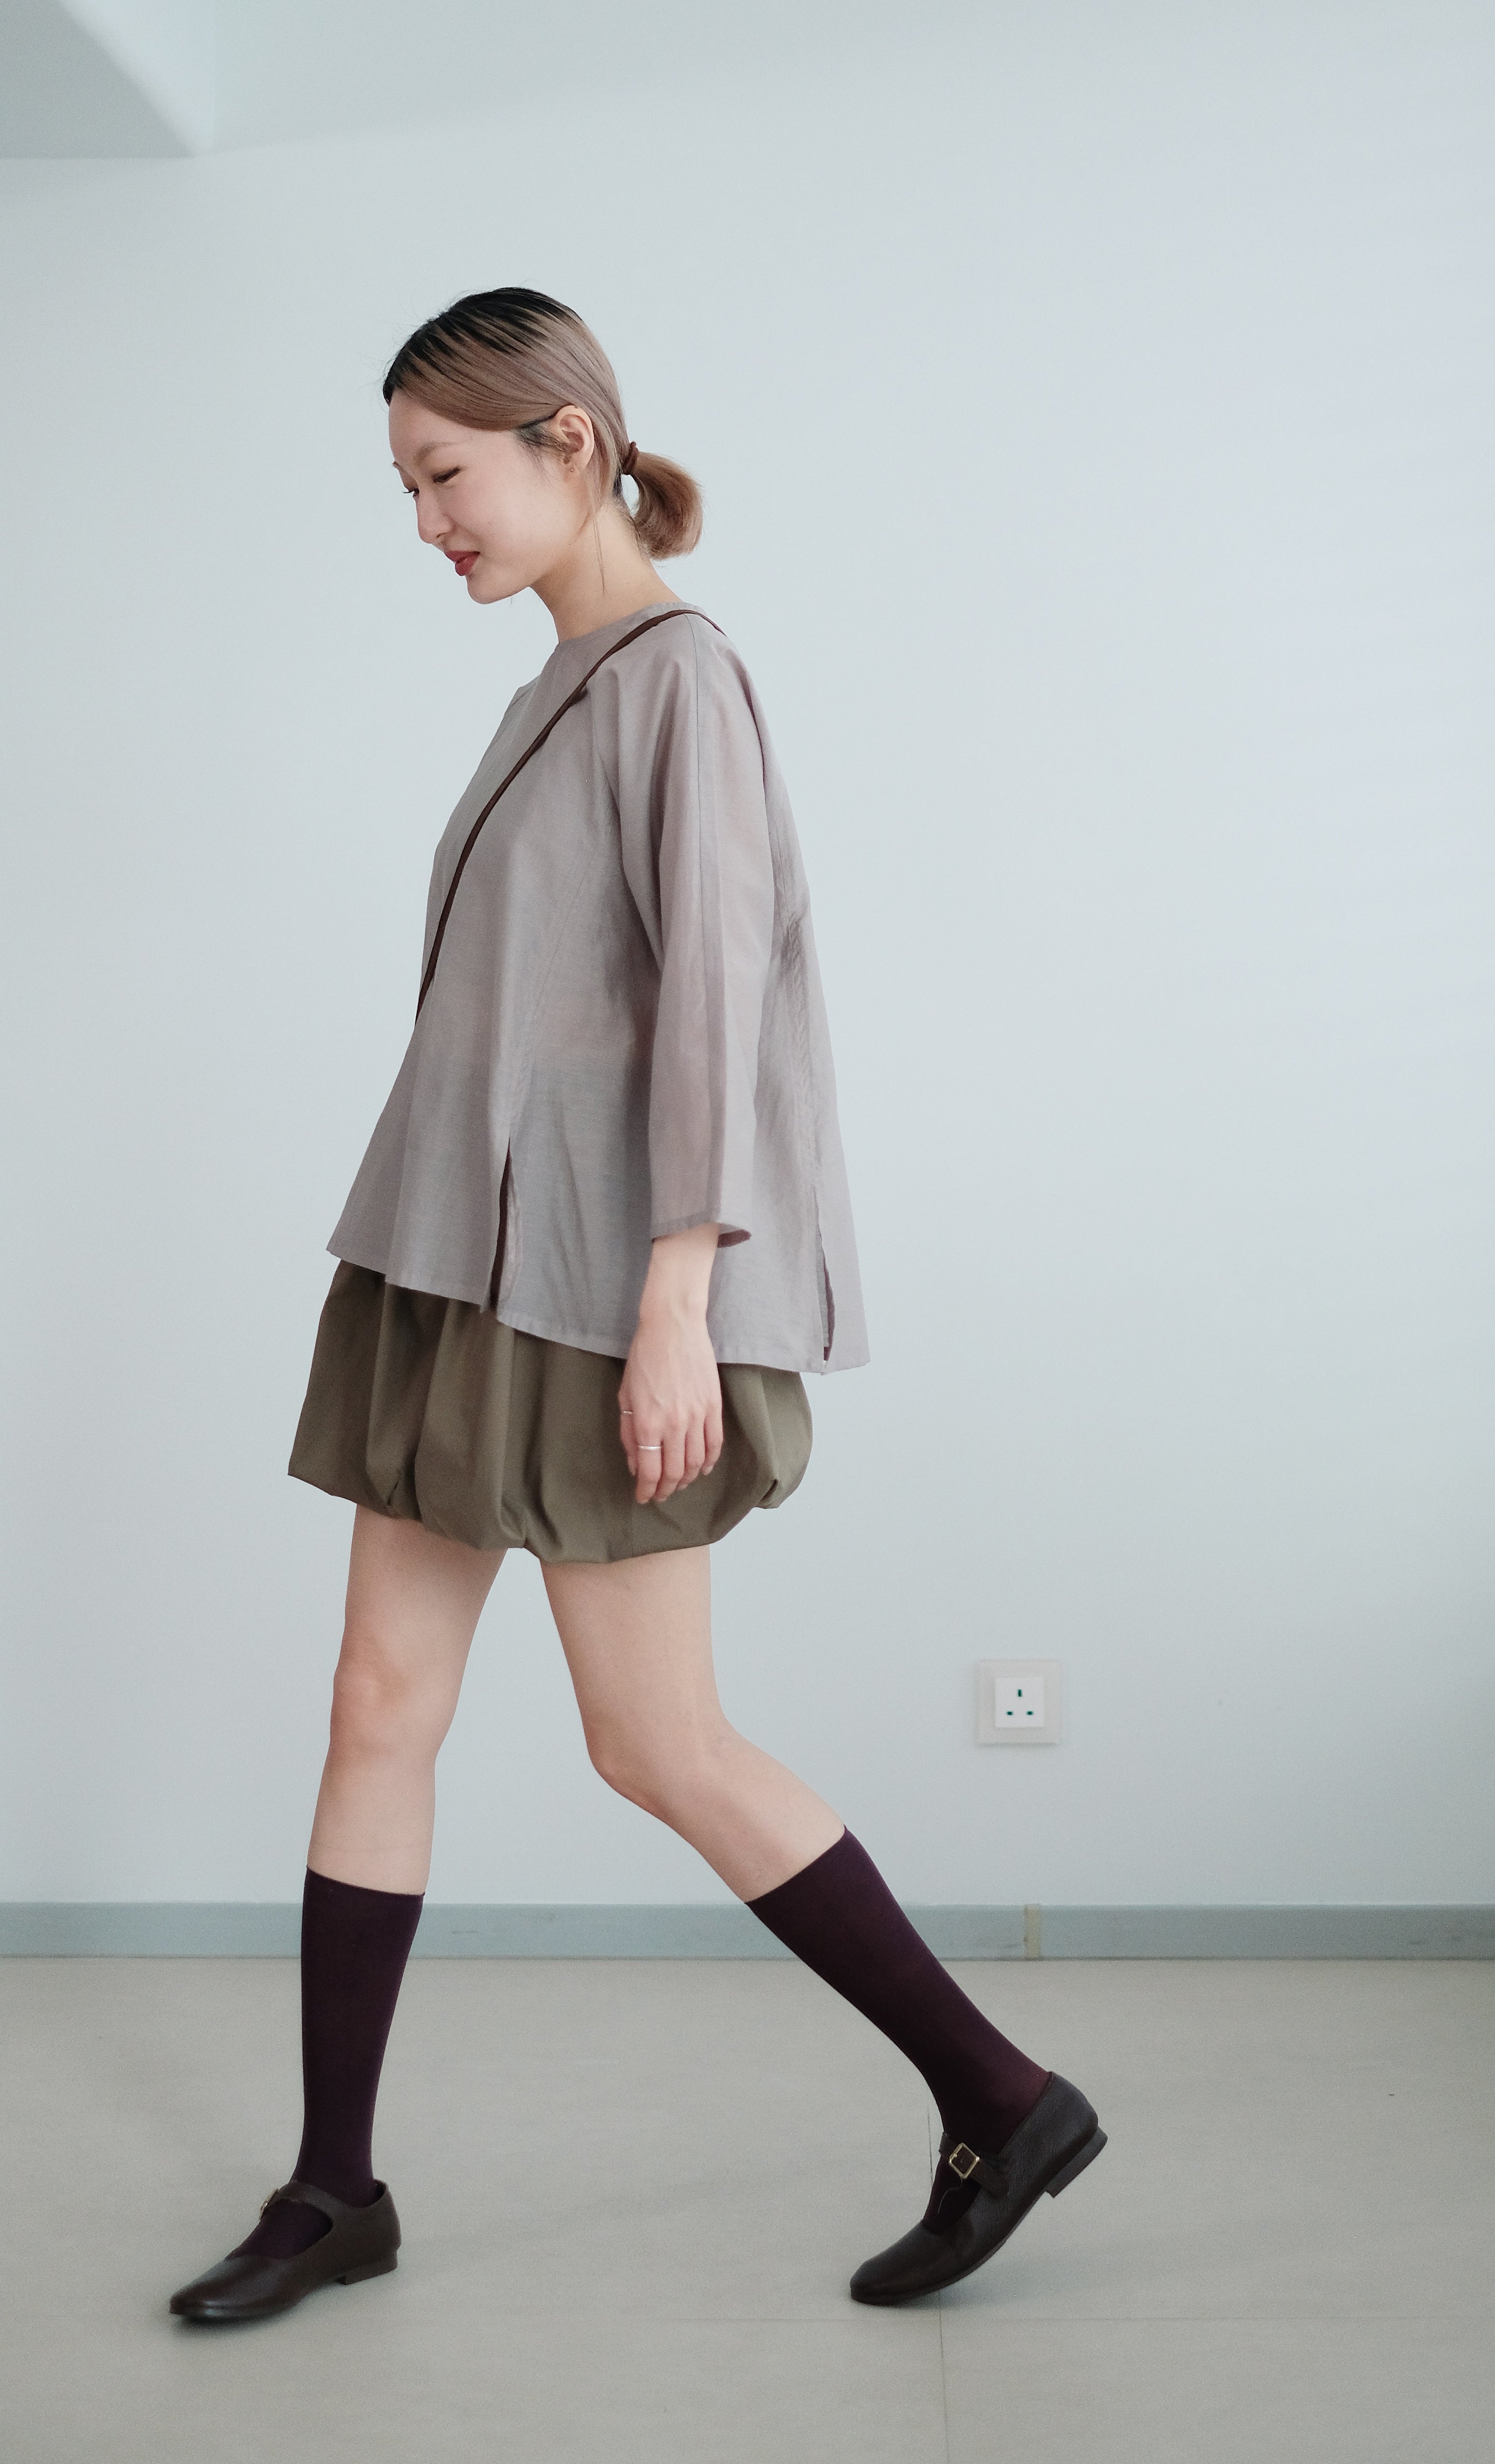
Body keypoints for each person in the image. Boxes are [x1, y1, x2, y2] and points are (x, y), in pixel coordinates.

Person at [168, 287, 1105, 2326]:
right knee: (378, 1705)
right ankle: (334, 2189)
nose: (428, 521)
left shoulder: (681, 678)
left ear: (571, 441)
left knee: (658, 1741)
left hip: (600, 1295)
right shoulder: (564, 681)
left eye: (447, 475)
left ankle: (999, 2095)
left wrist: (681, 1296)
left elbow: (720, 1003)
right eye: (406, 488)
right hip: (456, 1270)